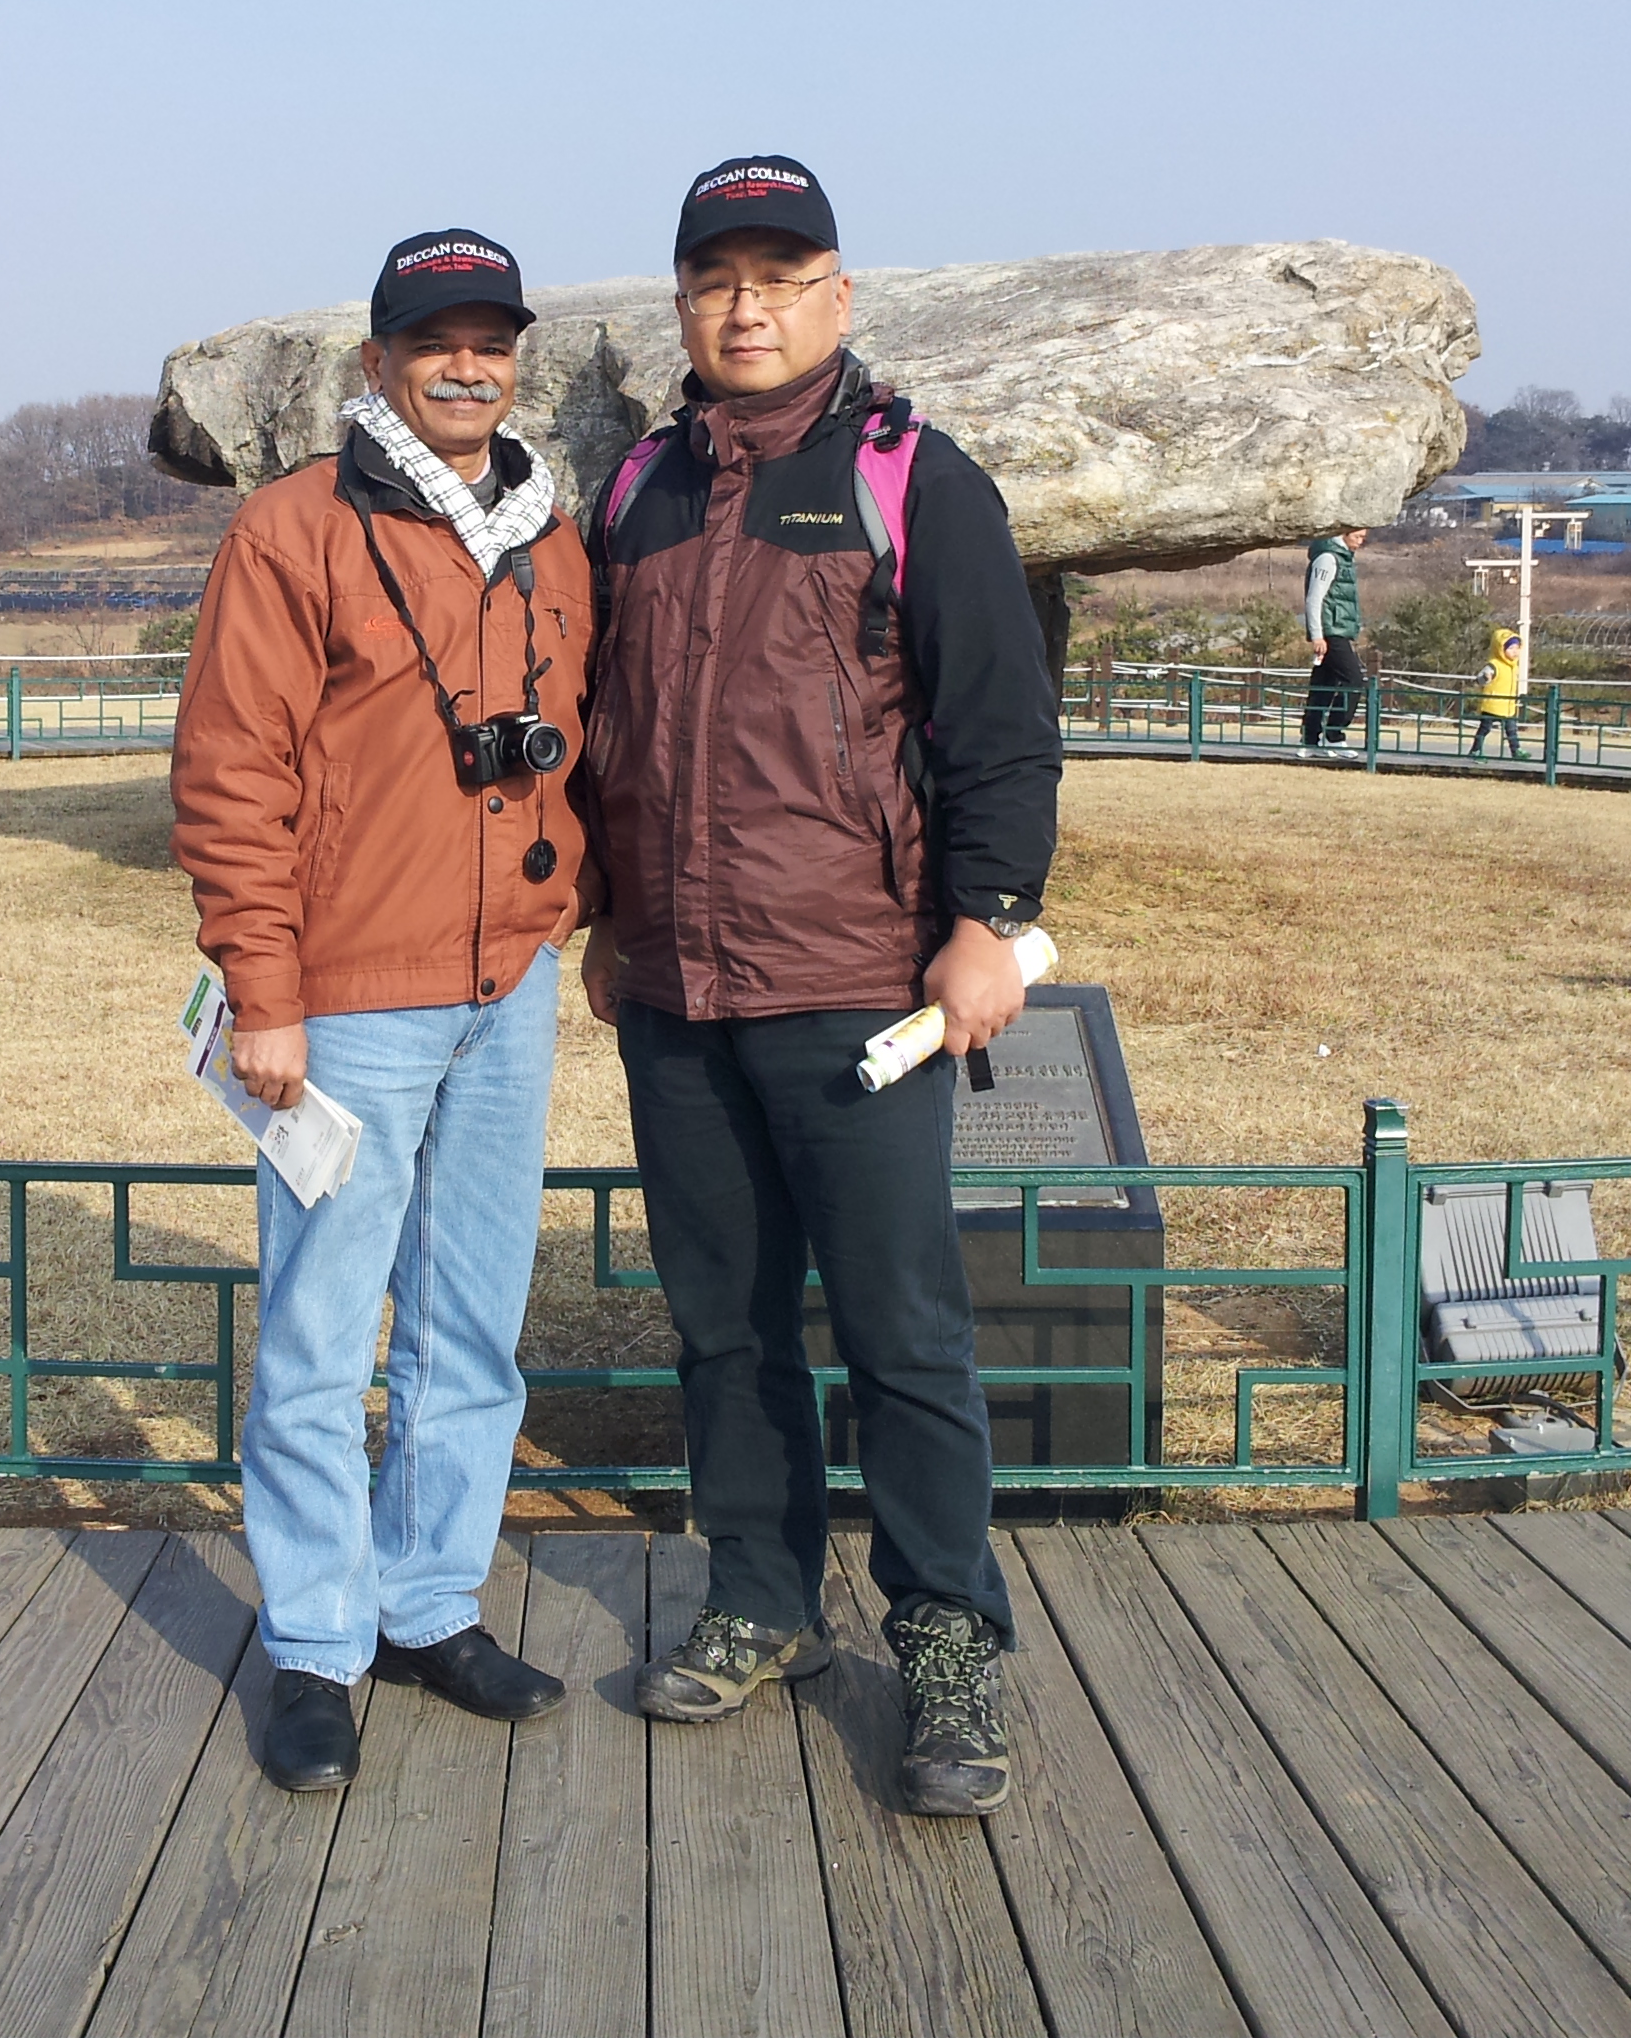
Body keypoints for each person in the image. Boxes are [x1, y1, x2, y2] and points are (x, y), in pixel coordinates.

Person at [578, 155, 1061, 1816]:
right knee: (722, 1326)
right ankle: (760, 1597)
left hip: (857, 987)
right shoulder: (637, 487)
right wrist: (606, 914)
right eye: (717, 279)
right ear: (681, 304)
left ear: (837, 297)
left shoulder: (911, 476)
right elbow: (611, 731)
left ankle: (944, 1639)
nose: (747, 307)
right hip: (674, 989)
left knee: (901, 1333)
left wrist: (988, 919)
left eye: (780, 277)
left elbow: (998, 723)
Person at [170, 227, 592, 1792]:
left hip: (508, 986)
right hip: (347, 1002)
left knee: (473, 1325)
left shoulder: (550, 530)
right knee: (319, 1333)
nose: (465, 367)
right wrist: (262, 991)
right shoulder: (294, 529)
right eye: (434, 342)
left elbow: (578, 741)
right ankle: (312, 1642)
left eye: (490, 340)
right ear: (378, 361)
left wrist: (575, 920)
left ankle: (427, 1605)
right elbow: (233, 769)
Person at [1302, 527, 1367, 754]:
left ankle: (1310, 740)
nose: (1360, 542)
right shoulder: (1328, 558)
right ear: (1344, 534)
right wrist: (1317, 635)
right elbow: (1314, 598)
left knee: (1323, 687)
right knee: (1354, 680)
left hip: (1338, 629)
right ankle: (1334, 735)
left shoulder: (1344, 558)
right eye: (1357, 536)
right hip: (1331, 631)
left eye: (1363, 538)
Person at [1468, 625, 1528, 757]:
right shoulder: (1493, 664)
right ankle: (1475, 750)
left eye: (1517, 648)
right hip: (1492, 704)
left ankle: (1516, 750)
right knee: (1485, 728)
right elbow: (1479, 680)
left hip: (1508, 705)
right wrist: (1486, 678)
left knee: (1512, 729)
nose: (1515, 652)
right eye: (1511, 648)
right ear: (1501, 649)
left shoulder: (1513, 666)